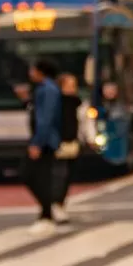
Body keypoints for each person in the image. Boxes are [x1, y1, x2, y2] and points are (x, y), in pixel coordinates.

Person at [23, 59, 62, 235]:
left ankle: (47, 212)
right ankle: (46, 211)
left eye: (33, 69)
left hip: (45, 141)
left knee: (31, 174)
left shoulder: (48, 90)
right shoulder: (44, 89)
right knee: (38, 176)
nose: (30, 73)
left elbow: (45, 118)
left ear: (40, 72)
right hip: (44, 139)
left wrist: (37, 143)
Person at [53, 73, 82, 225]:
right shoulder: (56, 103)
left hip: (72, 144)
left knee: (68, 176)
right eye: (69, 85)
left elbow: (83, 121)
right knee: (60, 175)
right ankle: (56, 205)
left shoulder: (77, 102)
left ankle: (61, 204)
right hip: (59, 144)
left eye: (74, 85)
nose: (73, 88)